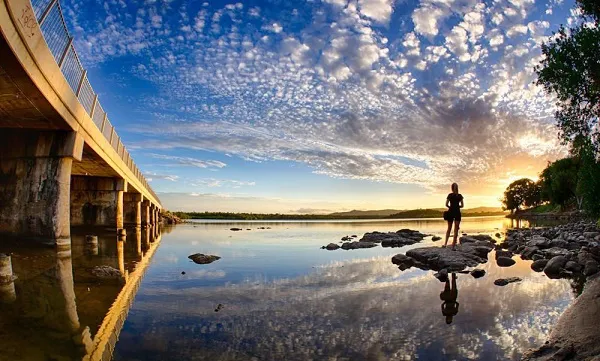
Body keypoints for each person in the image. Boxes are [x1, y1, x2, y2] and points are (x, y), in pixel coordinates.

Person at [443, 183, 464, 249]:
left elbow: (446, 204)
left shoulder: (450, 195)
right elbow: (462, 205)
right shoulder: (459, 195)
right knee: (455, 229)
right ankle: (453, 246)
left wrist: (451, 207)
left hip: (451, 211)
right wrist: (457, 206)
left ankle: (445, 244)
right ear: (457, 187)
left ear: (452, 188)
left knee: (449, 228)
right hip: (457, 212)